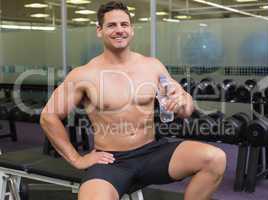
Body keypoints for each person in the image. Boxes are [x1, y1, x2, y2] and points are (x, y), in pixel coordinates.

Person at [40, 1, 226, 200]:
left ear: (131, 29)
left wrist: (183, 100)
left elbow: (185, 109)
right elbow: (48, 116)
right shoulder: (84, 74)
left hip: (152, 153)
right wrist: (77, 159)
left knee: (215, 158)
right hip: (112, 160)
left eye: (124, 24)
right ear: (99, 30)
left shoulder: (152, 66)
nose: (119, 30)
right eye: (112, 25)